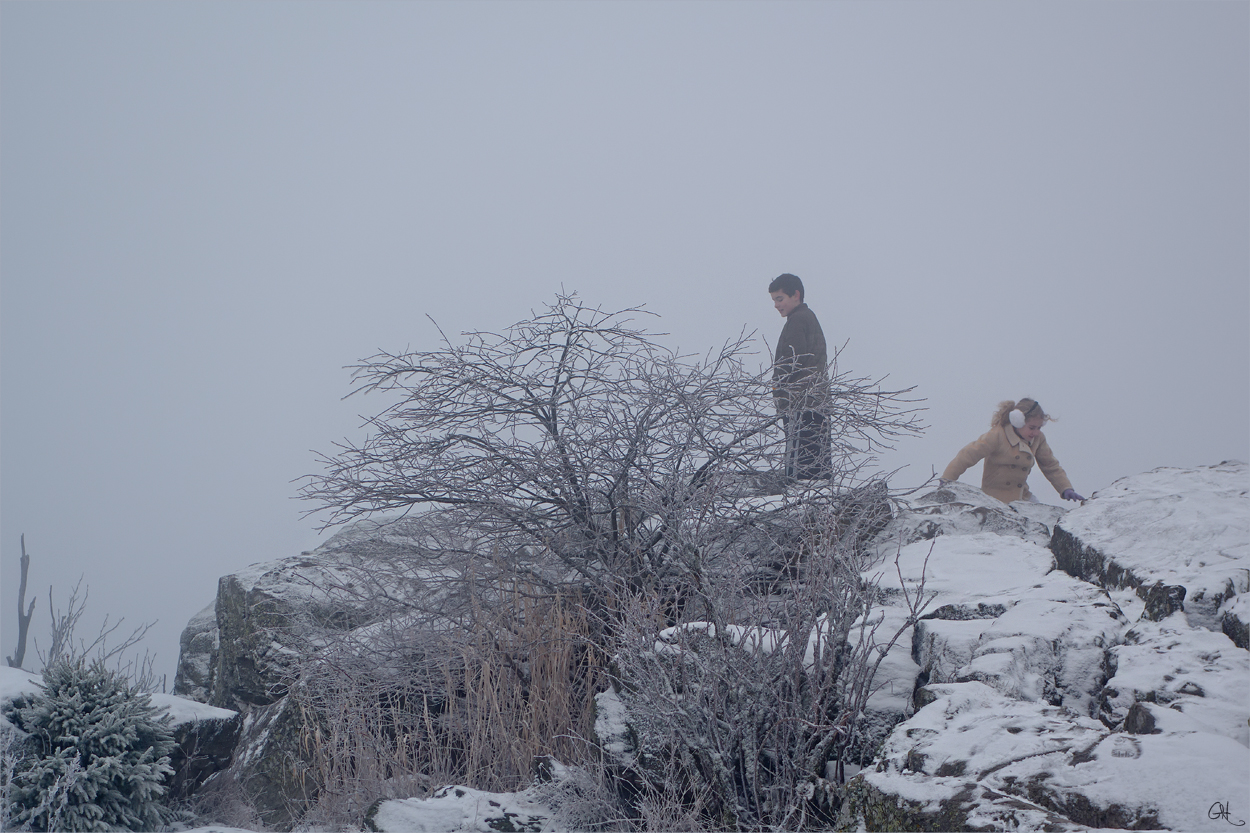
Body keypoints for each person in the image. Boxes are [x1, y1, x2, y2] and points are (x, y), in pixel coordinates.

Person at [941, 398, 1085, 503]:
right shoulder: (997, 435)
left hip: (1023, 497)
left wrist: (1066, 488)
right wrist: (946, 480)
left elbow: (1051, 466)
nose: (1035, 432)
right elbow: (967, 455)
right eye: (1032, 428)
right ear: (1018, 421)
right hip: (994, 499)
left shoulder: (1038, 439)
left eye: (1039, 428)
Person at [769, 273, 830, 480]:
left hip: (800, 404)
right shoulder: (809, 318)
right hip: (816, 403)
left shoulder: (797, 320)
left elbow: (792, 360)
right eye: (774, 301)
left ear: (796, 295)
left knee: (798, 469)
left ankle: (800, 505)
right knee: (818, 464)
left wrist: (778, 389)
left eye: (780, 299)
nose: (777, 305)